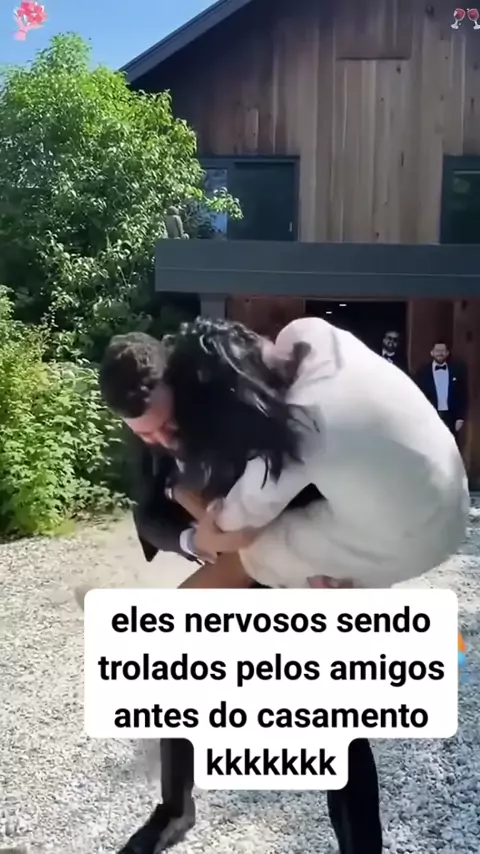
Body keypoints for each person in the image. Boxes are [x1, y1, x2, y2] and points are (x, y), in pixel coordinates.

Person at [98, 317, 469, 854]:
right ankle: (175, 810)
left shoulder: (244, 400)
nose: (161, 439)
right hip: (249, 555)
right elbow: (150, 514)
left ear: (186, 386)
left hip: (306, 550)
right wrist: (191, 539)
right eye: (145, 435)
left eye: (166, 425)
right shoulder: (158, 433)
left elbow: (323, 494)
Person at [414, 340, 468, 440]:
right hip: (430, 415)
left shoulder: (457, 370)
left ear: (447, 353)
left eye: (443, 351)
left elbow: (462, 395)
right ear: (432, 353)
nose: (440, 353)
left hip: (450, 417)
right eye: (437, 351)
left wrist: (460, 418)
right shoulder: (423, 371)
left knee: (450, 443)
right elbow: (418, 395)